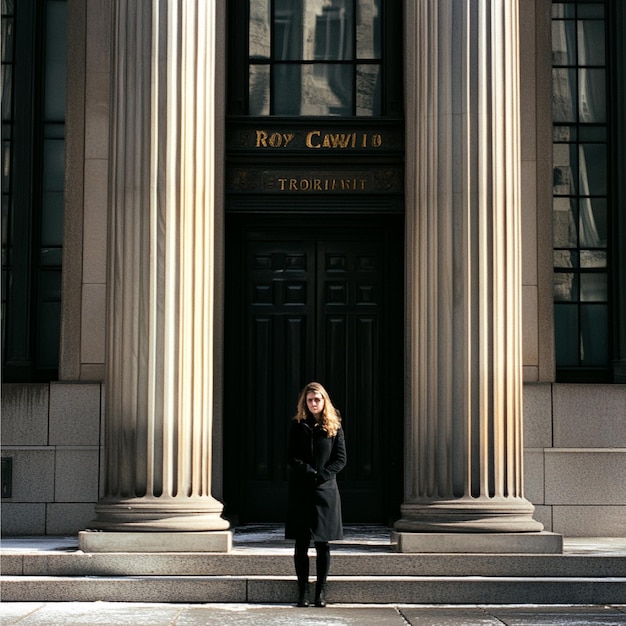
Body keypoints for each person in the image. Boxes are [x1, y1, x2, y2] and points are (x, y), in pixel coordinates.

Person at [285, 382, 347, 608]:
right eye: (310, 400)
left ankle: (320, 593)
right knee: (301, 544)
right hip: (301, 491)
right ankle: (302, 592)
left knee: (323, 544)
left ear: (324, 401)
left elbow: (340, 459)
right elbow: (291, 457)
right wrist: (308, 472)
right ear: (305, 402)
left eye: (317, 400)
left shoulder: (334, 427)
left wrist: (322, 475)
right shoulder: (297, 425)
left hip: (325, 491)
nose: (313, 403)